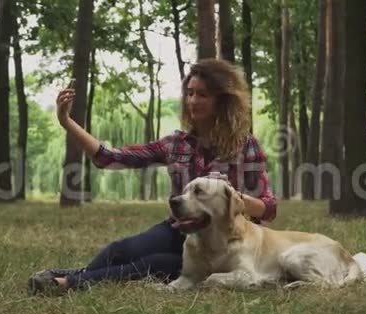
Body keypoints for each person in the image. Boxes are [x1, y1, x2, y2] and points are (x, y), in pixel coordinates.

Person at [28, 58, 277, 295]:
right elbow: (110, 158)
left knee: (157, 264)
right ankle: (80, 275)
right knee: (121, 250)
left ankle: (66, 283)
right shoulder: (175, 144)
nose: (193, 100)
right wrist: (66, 121)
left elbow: (267, 208)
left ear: (222, 100)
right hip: (180, 229)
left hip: (224, 241)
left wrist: (231, 197)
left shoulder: (245, 146)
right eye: (190, 93)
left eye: (203, 94)